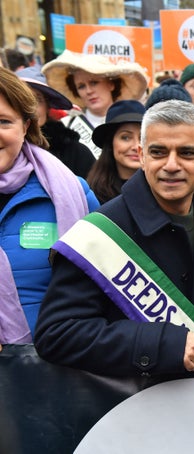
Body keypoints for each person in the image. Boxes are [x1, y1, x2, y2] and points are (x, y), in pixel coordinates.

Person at [34, 100, 194, 376]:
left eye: (187, 153)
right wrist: (160, 344)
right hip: (124, 406)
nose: (171, 165)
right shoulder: (99, 232)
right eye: (158, 152)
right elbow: (57, 335)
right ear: (141, 155)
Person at [0, 67, 99, 342]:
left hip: (50, 370)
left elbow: (108, 287)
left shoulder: (74, 191)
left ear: (26, 125)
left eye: (4, 122)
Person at [42, 50, 148, 159]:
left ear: (111, 84)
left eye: (94, 83)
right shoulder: (66, 126)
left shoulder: (134, 123)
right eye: (81, 86)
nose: (88, 91)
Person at [16, 65, 96, 178]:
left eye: (37, 100)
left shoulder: (75, 153)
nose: (30, 108)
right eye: (22, 100)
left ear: (47, 108)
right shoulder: (4, 152)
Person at [86, 100, 145, 204]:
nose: (136, 146)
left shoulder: (163, 189)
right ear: (110, 143)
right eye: (126, 137)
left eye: (142, 138)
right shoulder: (92, 195)